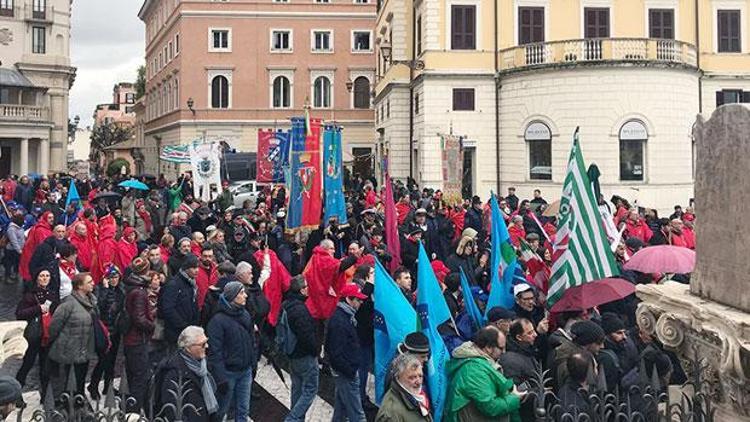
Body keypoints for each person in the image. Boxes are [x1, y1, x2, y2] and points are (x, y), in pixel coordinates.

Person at [445, 327, 522, 422]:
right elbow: (490, 406)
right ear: (488, 347)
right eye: (501, 348)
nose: (504, 352)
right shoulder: (473, 370)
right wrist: (514, 398)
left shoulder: (480, 363)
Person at [206, 282, 255, 422]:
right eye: (241, 293)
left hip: (245, 371)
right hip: (228, 373)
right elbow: (215, 352)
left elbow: (251, 340)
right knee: (221, 411)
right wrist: (221, 378)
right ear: (232, 296)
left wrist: (252, 363)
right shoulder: (217, 321)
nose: (245, 295)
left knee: (243, 409)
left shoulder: (245, 314)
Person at [47, 273, 98, 397]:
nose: (93, 283)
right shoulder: (68, 303)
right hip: (69, 350)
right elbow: (54, 326)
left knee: (81, 378)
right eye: (89, 282)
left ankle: (79, 400)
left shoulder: (91, 300)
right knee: (70, 381)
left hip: (84, 348)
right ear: (80, 286)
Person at [154, 326, 219, 421]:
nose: (207, 346)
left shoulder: (202, 365)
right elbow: (171, 408)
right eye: (202, 344)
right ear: (189, 347)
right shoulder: (173, 371)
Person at [325, 283, 368, 422]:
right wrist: (350, 371)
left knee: (341, 410)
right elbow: (335, 353)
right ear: (349, 299)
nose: (361, 302)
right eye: (358, 299)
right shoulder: (340, 322)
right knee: (357, 413)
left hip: (345, 371)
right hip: (346, 372)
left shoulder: (344, 316)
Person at [282, 275, 320, 422]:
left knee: (296, 390)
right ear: (302, 290)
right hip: (304, 356)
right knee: (310, 390)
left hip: (292, 354)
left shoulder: (287, 304)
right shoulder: (300, 310)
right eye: (306, 287)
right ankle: (292, 419)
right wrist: (316, 351)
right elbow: (306, 337)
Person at [88, 263, 127, 400]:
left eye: (116, 277)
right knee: (103, 360)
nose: (114, 280)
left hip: (115, 330)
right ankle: (93, 385)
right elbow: (99, 307)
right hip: (104, 331)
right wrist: (104, 290)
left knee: (112, 361)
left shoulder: (121, 290)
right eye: (111, 277)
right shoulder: (100, 290)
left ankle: (108, 386)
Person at [15, 269, 57, 393]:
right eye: (42, 276)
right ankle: (17, 392)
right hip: (34, 335)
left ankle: (45, 394)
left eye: (47, 276)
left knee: (45, 366)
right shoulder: (30, 295)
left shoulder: (52, 294)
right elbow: (20, 313)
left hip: (47, 335)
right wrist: (38, 308)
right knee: (27, 364)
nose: (45, 278)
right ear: (37, 278)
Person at [123, 258, 156, 412]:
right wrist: (152, 326)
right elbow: (139, 319)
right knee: (139, 378)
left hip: (132, 339)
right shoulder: (139, 292)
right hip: (137, 340)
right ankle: (134, 412)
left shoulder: (132, 287)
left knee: (134, 375)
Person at [159, 254, 201, 349]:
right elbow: (168, 309)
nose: (197, 270)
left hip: (188, 332)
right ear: (186, 268)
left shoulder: (191, 283)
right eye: (193, 267)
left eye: (197, 267)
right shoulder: (174, 284)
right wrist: (183, 325)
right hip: (176, 333)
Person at [375, 353, 432, 421]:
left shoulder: (415, 396)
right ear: (398, 377)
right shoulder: (390, 414)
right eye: (412, 378)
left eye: (420, 376)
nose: (418, 382)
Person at [553, 320, 605, 388]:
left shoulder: (582, 355)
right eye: (599, 343)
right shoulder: (573, 362)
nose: (602, 346)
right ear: (587, 342)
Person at [498, 319, 540, 387]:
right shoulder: (510, 361)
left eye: (534, 331)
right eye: (529, 333)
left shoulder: (528, 350)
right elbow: (514, 389)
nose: (535, 334)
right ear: (519, 337)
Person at [3, 213, 24, 282]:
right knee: (9, 264)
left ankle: (13, 275)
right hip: (10, 249)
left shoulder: (20, 227)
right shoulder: (11, 229)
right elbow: (13, 241)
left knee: (16, 263)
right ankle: (7, 277)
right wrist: (19, 251)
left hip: (18, 249)